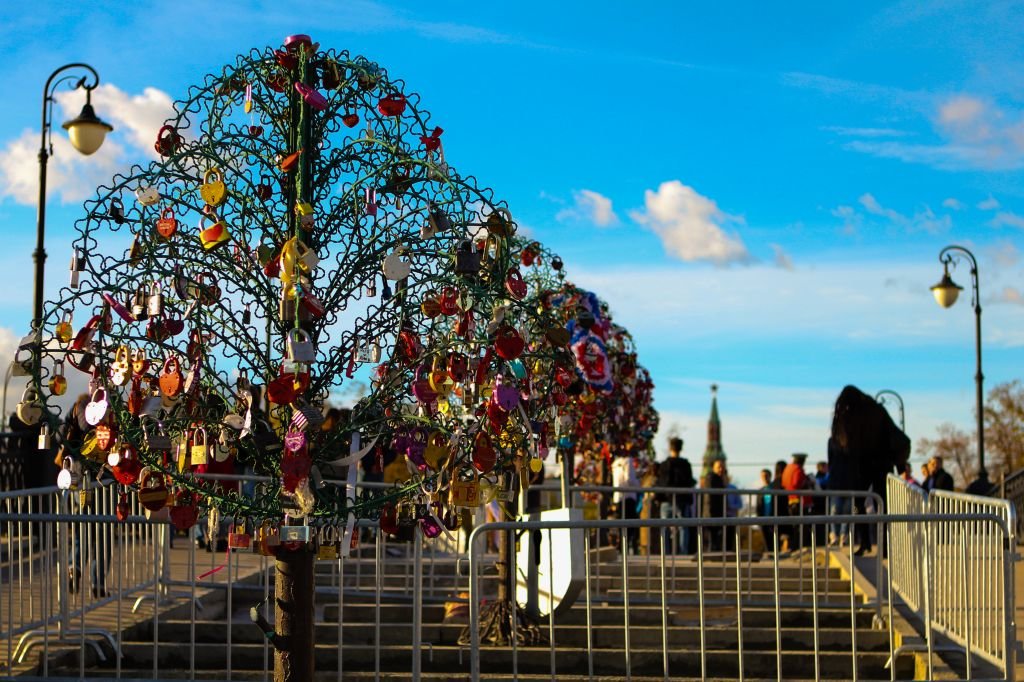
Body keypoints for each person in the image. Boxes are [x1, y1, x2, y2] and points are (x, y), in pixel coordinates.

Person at [657, 437, 695, 554]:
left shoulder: (664, 465)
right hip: (682, 499)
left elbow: (661, 482)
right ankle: (683, 553)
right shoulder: (685, 465)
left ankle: (666, 553)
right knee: (684, 528)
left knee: (665, 528)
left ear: (670, 448)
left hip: (666, 499)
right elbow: (689, 482)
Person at [610, 452, 640, 554]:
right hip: (628, 497)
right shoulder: (628, 461)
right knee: (630, 525)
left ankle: (622, 547)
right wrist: (638, 484)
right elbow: (630, 479)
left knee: (622, 525)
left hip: (618, 497)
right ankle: (624, 546)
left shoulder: (615, 463)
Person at [782, 453, 813, 550]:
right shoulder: (798, 469)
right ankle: (799, 546)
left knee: (795, 525)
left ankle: (795, 546)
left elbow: (784, 483)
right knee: (802, 526)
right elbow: (796, 483)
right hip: (799, 501)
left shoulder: (787, 469)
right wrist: (807, 483)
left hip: (790, 500)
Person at [701, 459, 727, 551]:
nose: (721, 469)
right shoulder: (711, 478)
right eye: (718, 467)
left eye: (722, 467)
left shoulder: (720, 479)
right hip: (711, 513)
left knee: (715, 538)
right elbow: (709, 497)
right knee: (711, 539)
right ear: (713, 468)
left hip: (717, 512)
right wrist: (709, 513)